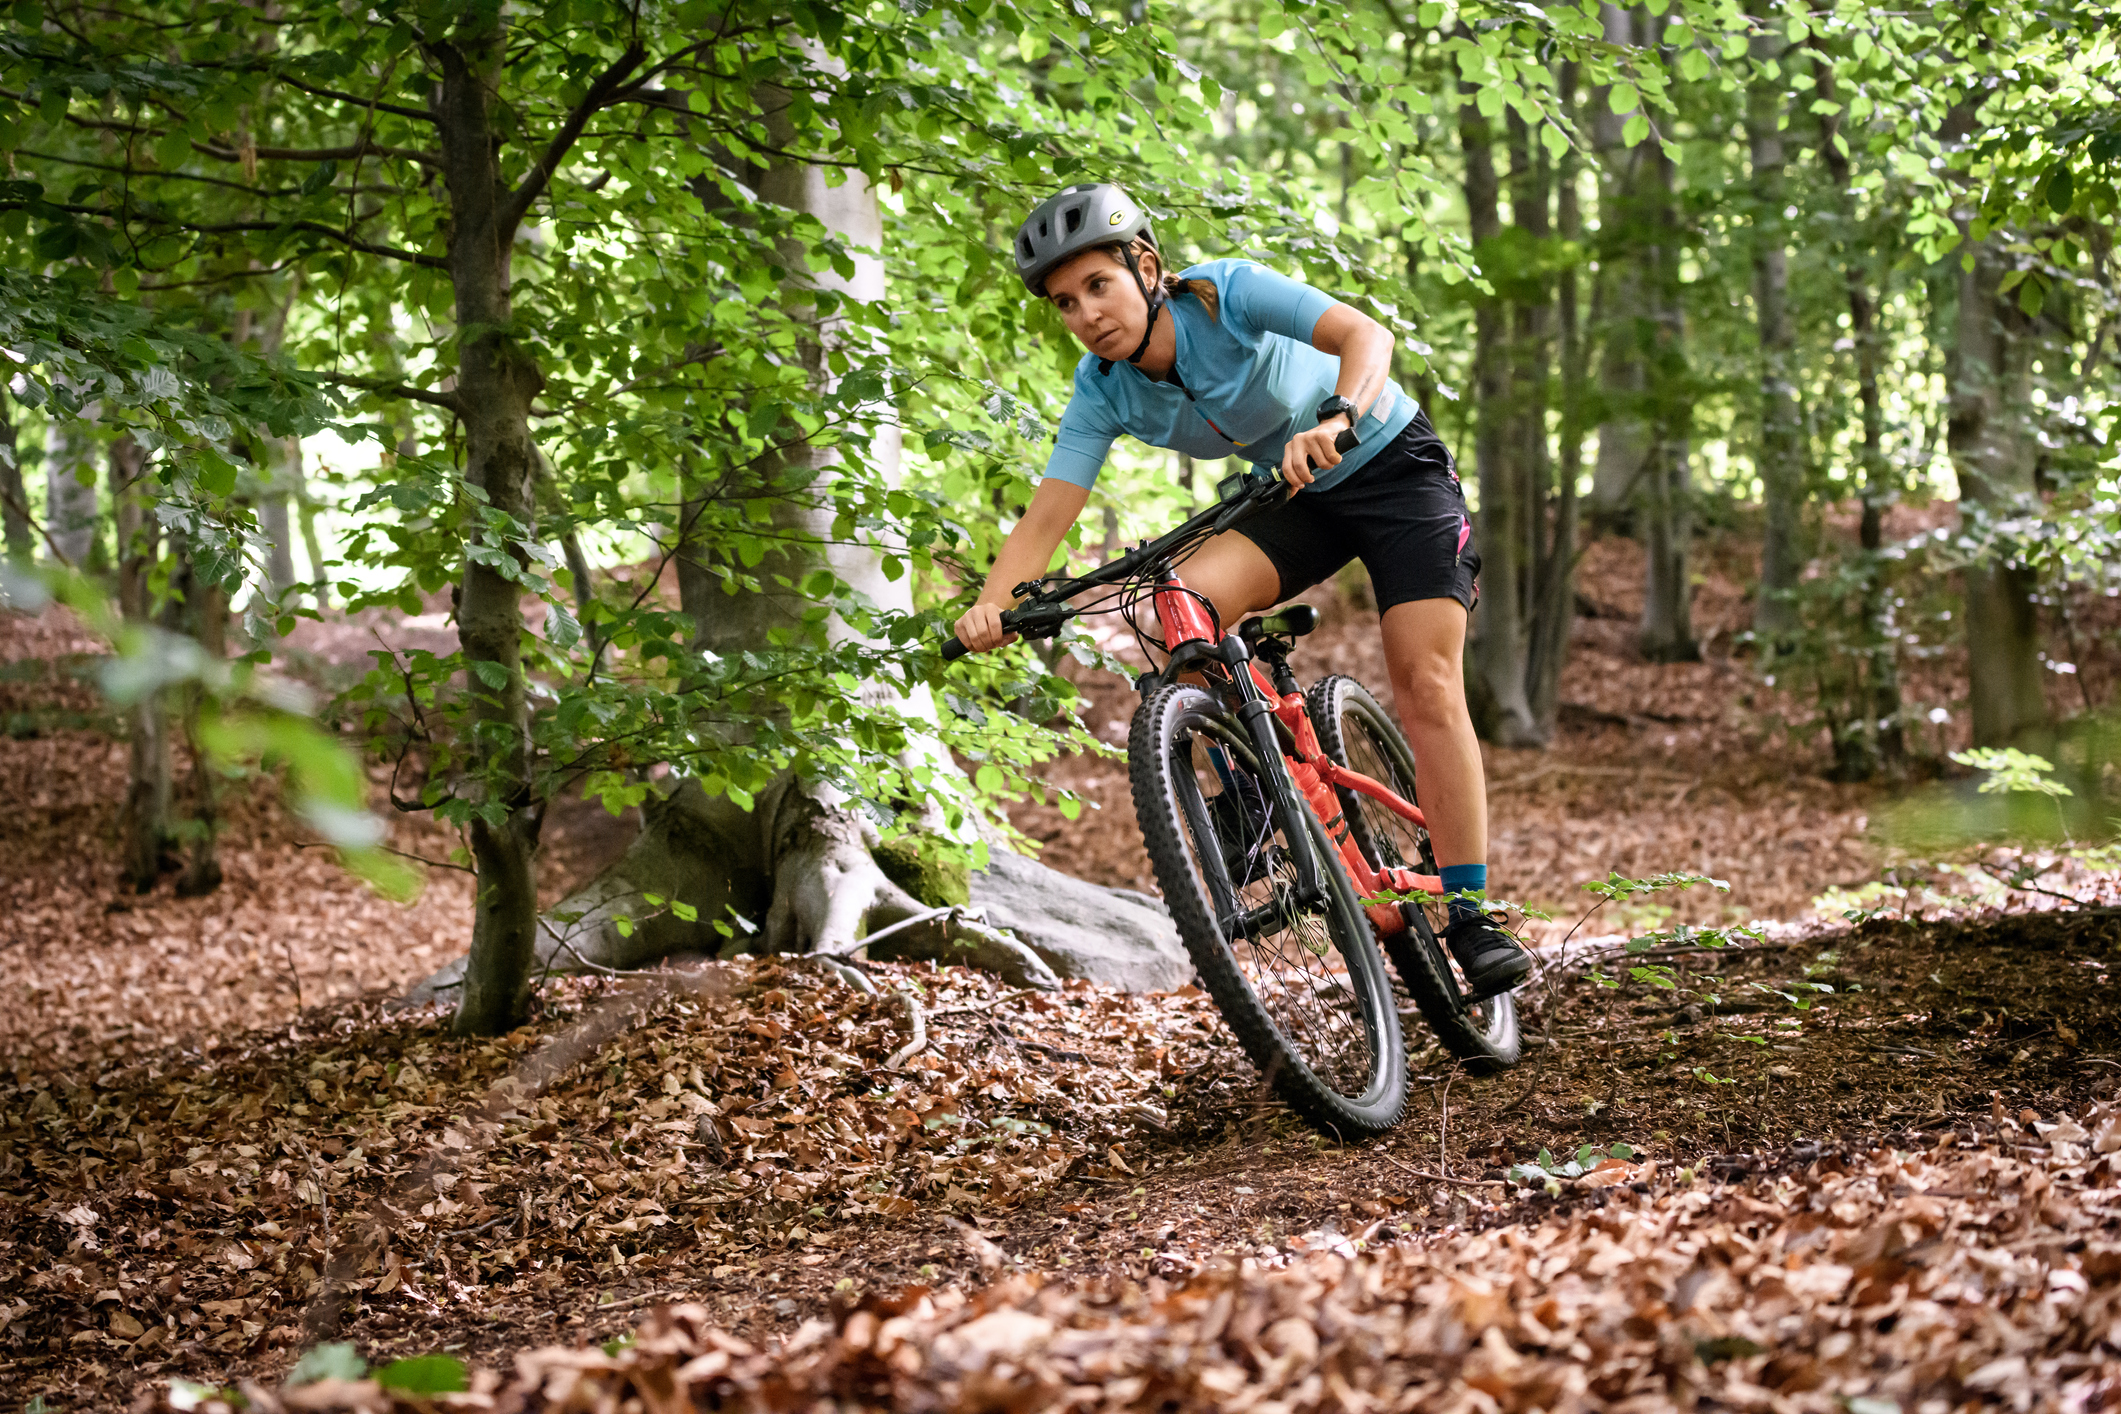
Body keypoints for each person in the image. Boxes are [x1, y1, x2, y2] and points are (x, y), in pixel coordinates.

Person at [951, 182, 1531, 1001]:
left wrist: (1336, 416)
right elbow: (1049, 512)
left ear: (1144, 266)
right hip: (1296, 496)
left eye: (1098, 285)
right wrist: (992, 606)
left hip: (1393, 470)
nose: (1085, 314)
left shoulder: (1225, 293)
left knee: (1425, 680)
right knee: (1175, 601)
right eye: (1065, 302)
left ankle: (1471, 914)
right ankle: (1253, 788)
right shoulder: (1102, 387)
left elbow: (1364, 334)